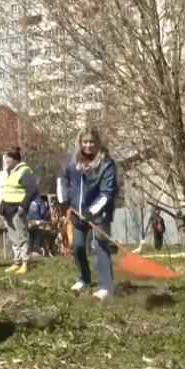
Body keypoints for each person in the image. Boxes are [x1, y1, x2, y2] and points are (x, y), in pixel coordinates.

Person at [57, 128, 119, 300]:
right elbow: (62, 179)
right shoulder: (72, 159)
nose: (88, 145)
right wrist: (64, 199)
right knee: (77, 245)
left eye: (91, 141)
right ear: (80, 142)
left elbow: (108, 192)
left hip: (100, 212)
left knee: (100, 244)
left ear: (97, 142)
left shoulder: (106, 163)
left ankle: (106, 286)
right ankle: (84, 278)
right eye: (85, 141)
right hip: (77, 211)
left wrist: (91, 211)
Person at [0, 148, 38, 274]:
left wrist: (23, 205)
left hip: (17, 209)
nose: (6, 160)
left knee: (22, 236)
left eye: (8, 158)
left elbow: (32, 190)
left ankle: (25, 262)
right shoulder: (10, 172)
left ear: (15, 159)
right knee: (13, 238)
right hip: (8, 209)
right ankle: (17, 261)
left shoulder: (24, 172)